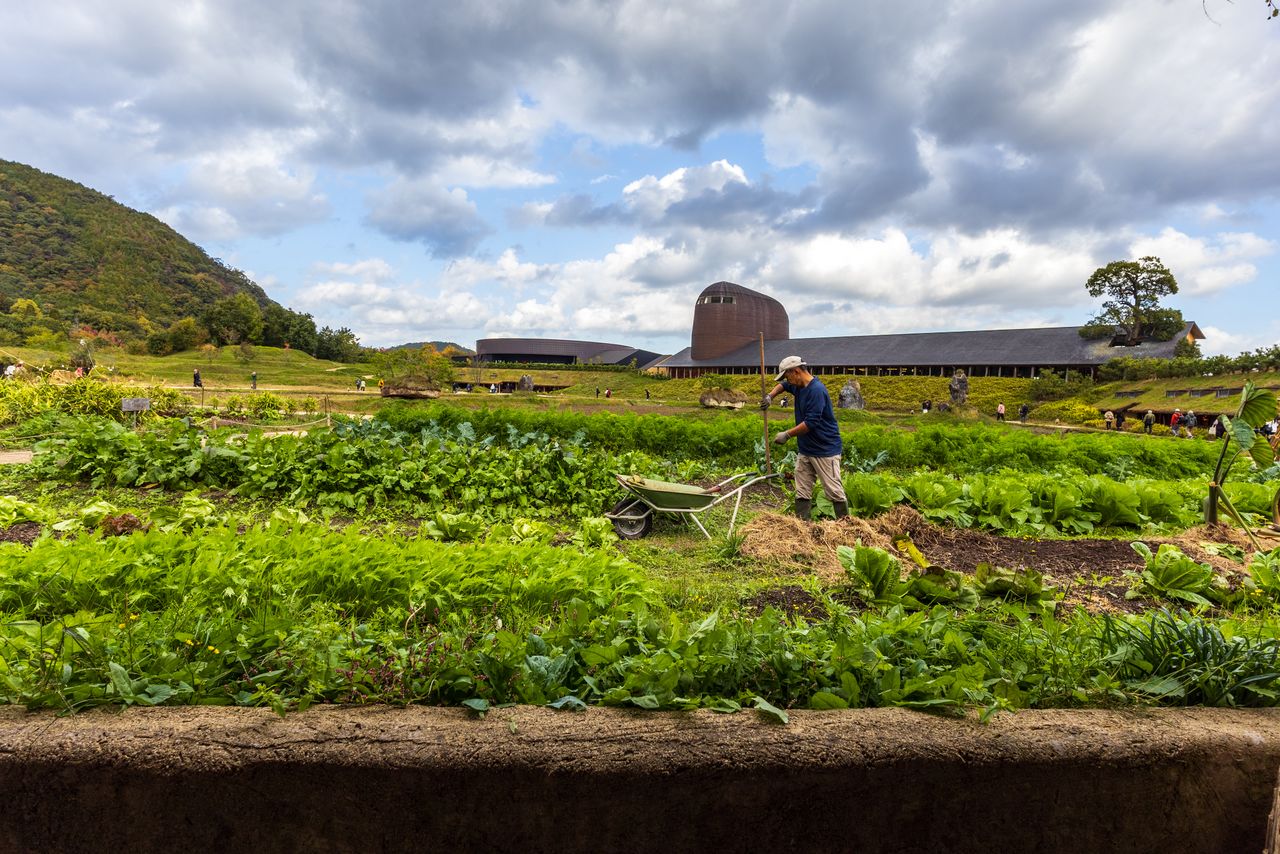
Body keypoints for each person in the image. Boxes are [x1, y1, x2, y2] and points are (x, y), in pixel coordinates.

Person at [762, 355, 847, 521]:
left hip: (825, 449)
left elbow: (811, 423)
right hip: (806, 449)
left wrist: (787, 434)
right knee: (802, 489)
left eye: (787, 376)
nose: (788, 381)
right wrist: (770, 396)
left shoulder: (816, 390)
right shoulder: (798, 385)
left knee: (834, 491)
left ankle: (846, 527)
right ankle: (803, 526)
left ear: (796, 371)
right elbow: (783, 386)